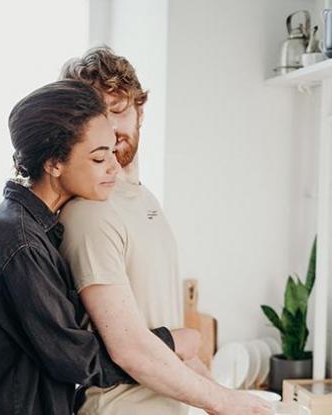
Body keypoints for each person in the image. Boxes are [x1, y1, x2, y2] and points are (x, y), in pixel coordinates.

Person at [59, 48, 273, 415]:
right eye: (96, 115)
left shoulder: (142, 199)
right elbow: (130, 349)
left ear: (140, 111)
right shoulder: (89, 212)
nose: (109, 128)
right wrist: (224, 403)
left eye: (119, 109)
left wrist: (225, 397)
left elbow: (165, 335)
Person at [0, 80, 177, 415]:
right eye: (99, 158)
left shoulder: (35, 228)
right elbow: (76, 360)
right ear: (54, 163)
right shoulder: (18, 243)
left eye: (112, 151)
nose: (114, 166)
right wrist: (170, 342)